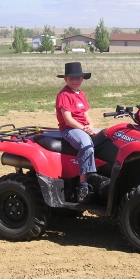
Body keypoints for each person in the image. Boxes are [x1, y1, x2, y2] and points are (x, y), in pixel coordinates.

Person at [56, 62, 97, 203]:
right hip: (70, 129)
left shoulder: (81, 94)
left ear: (82, 79)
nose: (75, 81)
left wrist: (91, 126)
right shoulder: (64, 95)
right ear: (65, 79)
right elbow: (68, 119)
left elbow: (86, 115)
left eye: (78, 78)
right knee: (87, 146)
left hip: (83, 126)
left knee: (106, 137)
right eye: (72, 78)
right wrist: (84, 129)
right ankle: (84, 185)